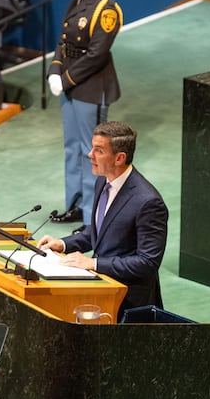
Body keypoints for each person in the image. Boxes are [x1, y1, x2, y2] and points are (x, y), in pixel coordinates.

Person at [38, 121, 168, 319]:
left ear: (119, 158)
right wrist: (63, 244)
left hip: (129, 303)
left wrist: (94, 264)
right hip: (102, 290)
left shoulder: (148, 202)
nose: (90, 155)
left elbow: (147, 262)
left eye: (98, 150)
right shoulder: (103, 181)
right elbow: (99, 231)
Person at [47, 0, 123, 232]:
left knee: (93, 153)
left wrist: (65, 79)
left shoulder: (106, 10)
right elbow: (63, 41)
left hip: (90, 88)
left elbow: (97, 54)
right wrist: (55, 69)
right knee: (72, 149)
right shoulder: (78, 1)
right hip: (71, 87)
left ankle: (93, 217)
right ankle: (76, 205)